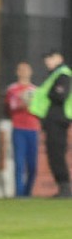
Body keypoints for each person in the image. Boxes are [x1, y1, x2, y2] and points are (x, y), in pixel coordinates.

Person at [28, 50, 72, 198]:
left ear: (59, 58)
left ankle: (65, 187)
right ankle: (62, 187)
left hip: (58, 119)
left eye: (50, 59)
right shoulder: (56, 75)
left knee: (57, 154)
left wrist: (49, 93)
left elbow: (60, 95)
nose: (47, 62)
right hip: (54, 119)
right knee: (54, 154)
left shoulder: (63, 75)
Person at [4, 61, 40, 197]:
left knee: (32, 166)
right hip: (19, 128)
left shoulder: (36, 90)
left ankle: (27, 192)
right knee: (19, 163)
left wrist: (32, 103)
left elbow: (40, 109)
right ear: (17, 72)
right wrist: (21, 101)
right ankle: (19, 194)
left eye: (26, 69)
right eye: (21, 69)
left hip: (33, 129)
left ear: (30, 72)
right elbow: (10, 107)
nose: (24, 72)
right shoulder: (12, 89)